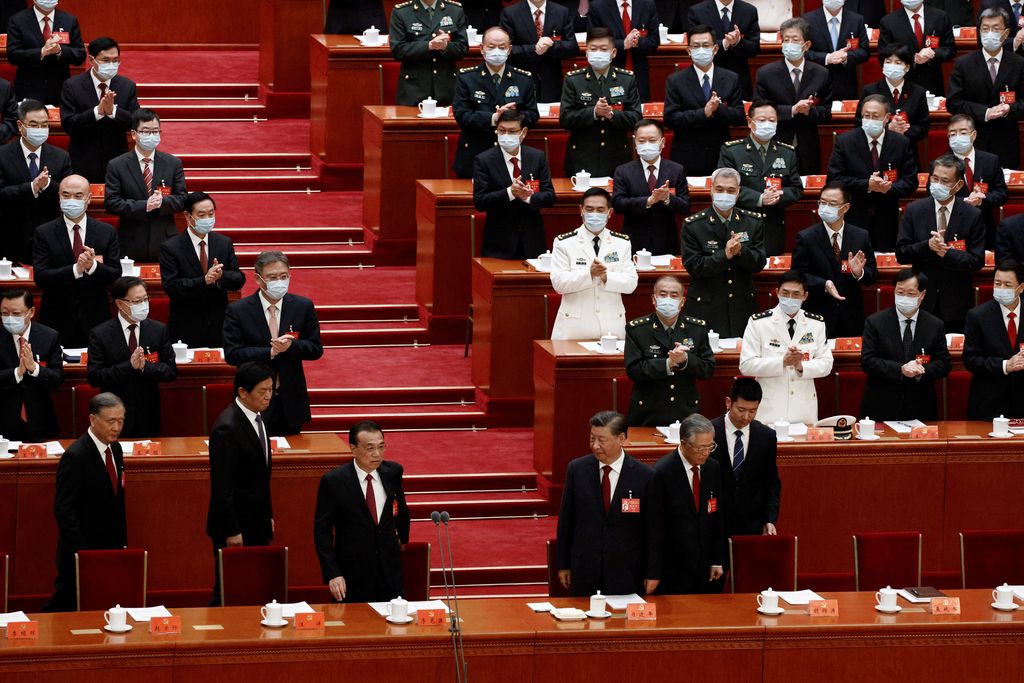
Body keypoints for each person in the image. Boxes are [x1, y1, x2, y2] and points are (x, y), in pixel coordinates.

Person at [555, 411, 657, 596]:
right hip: (585, 569)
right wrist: (563, 565)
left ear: (621, 438)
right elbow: (566, 522)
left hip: (627, 571)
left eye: (602, 440)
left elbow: (653, 529)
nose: (595, 445)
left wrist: (653, 572)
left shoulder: (645, 476)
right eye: (592, 438)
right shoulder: (577, 470)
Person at [223, 251, 324, 435]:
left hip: (291, 400)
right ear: (258, 279)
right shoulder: (238, 310)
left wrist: (292, 346)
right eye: (272, 277)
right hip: (253, 399)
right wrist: (269, 352)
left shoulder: (302, 306)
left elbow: (315, 348)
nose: (279, 281)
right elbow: (233, 354)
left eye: (283, 276)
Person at [43, 392, 127, 612]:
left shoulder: (115, 450)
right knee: (66, 607)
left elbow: (117, 500)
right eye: (111, 421)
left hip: (110, 548)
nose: (116, 427)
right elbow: (63, 511)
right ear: (92, 419)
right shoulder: (76, 456)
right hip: (80, 552)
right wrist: (83, 552)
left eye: (121, 421)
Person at [314, 421, 411, 603]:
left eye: (381, 447)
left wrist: (402, 539)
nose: (377, 454)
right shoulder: (334, 481)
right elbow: (322, 531)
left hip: (390, 573)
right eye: (370, 448)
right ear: (353, 449)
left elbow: (402, 510)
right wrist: (333, 573)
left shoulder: (393, 472)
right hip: (352, 575)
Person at [205, 361, 276, 606]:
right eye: (262, 391)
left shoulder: (256, 416)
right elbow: (222, 487)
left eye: (271, 389)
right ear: (243, 392)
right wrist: (232, 530)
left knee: (252, 587)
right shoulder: (228, 427)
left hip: (256, 519)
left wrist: (268, 514)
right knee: (229, 589)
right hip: (235, 526)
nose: (268, 396)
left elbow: (261, 477)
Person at [895, 154, 984, 333]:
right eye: (935, 178)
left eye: (945, 181)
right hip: (921, 302)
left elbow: (976, 261)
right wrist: (927, 246)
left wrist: (947, 253)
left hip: (956, 303)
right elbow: (901, 253)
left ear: (958, 185)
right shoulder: (914, 210)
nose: (938, 184)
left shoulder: (972, 215)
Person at [32, 175, 121, 348]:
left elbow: (115, 275)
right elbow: (41, 277)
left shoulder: (106, 232)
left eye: (78, 196)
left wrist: (93, 266)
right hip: (56, 319)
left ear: (89, 199)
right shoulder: (44, 233)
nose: (71, 200)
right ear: (59, 197)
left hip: (95, 319)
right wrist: (76, 269)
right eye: (66, 195)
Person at [86, 276, 177, 438]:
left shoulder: (158, 330)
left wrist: (144, 366)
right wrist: (129, 366)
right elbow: (95, 377)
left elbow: (170, 371)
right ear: (120, 304)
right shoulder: (100, 334)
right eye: (137, 301)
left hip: (148, 414)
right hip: (113, 418)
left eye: (145, 299)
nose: (143, 305)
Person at [739, 271, 834, 425]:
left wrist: (801, 365)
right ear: (777, 293)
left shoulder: (816, 323)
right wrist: (782, 362)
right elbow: (746, 365)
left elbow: (826, 364)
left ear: (805, 296)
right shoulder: (758, 322)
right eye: (785, 293)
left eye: (796, 294)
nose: (790, 299)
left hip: (804, 408)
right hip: (768, 409)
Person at [681, 167, 766, 338]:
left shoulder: (752, 221)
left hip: (741, 305)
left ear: (738, 192)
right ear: (711, 190)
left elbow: (758, 262)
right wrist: (725, 255)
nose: (724, 194)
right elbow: (695, 267)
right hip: (706, 306)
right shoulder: (693, 225)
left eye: (730, 190)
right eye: (719, 189)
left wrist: (741, 251)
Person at [827, 94, 918, 252]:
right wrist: (866, 185)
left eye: (875, 116)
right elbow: (834, 180)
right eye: (866, 116)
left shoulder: (901, 143)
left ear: (887, 118)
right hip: (854, 218)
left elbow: (911, 181)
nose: (870, 119)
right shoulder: (845, 141)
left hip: (886, 219)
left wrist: (889, 188)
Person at [648, 414, 726, 594]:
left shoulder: (712, 468)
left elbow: (718, 517)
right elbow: (655, 528)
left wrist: (717, 559)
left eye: (710, 447)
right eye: (701, 448)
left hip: (707, 570)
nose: (706, 453)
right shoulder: (661, 473)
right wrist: (653, 571)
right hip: (673, 570)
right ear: (683, 443)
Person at [860, 269, 951, 420]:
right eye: (900, 292)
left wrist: (920, 370)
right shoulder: (875, 322)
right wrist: (900, 369)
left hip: (921, 406)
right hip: (882, 405)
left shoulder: (935, 325)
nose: (904, 297)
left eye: (910, 294)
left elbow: (944, 364)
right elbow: (867, 361)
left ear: (922, 295)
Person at [624, 275, 715, 425]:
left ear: (682, 302)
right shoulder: (637, 329)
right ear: (654, 299)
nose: (668, 299)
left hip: (685, 412)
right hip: (647, 413)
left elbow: (708, 369)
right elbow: (633, 370)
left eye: (674, 295)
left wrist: (685, 360)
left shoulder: (696, 328)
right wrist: (668, 363)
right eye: (663, 294)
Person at [159, 192, 245, 347]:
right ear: (188, 216)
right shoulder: (171, 248)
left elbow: (238, 279)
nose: (207, 219)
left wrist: (221, 276)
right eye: (202, 214)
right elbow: (171, 286)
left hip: (219, 323)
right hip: (186, 324)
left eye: (211, 214)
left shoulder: (224, 243)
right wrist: (204, 280)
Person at [550, 187, 638, 339]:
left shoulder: (622, 242)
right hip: (574, 327)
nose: (594, 214)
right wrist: (589, 274)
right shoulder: (564, 242)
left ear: (609, 213)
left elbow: (631, 283)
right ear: (581, 210)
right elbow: (559, 284)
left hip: (612, 327)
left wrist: (605, 276)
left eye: (600, 210)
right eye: (589, 209)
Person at [791, 182, 877, 337]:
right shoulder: (806, 237)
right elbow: (797, 276)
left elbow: (873, 275)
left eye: (832, 204)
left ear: (846, 207)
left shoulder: (860, 236)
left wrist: (859, 273)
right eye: (822, 202)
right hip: (817, 315)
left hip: (851, 317)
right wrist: (823, 284)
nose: (825, 207)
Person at [717, 99, 802, 256]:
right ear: (750, 122)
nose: (767, 124)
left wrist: (781, 194)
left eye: (772, 120)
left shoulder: (787, 152)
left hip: (773, 228)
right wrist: (759, 198)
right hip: (741, 226)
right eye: (762, 120)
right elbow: (725, 188)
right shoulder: (732, 151)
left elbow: (796, 188)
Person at [452, 27, 538, 179]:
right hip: (475, 153)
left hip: (511, 154)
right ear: (482, 49)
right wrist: (493, 118)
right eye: (491, 47)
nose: (496, 51)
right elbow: (461, 115)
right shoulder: (466, 77)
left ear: (509, 49)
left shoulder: (523, 78)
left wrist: (511, 118)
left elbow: (532, 115)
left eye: (502, 47)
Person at [104, 109, 187, 262]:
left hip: (166, 241)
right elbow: (111, 203)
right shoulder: (117, 165)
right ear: (134, 134)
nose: (151, 136)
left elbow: (183, 199)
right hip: (131, 242)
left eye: (155, 131)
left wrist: (163, 202)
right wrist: (144, 206)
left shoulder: (173, 163)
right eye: (146, 131)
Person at [947, 8, 1024, 172]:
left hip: (1006, 141)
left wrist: (1010, 108)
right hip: (974, 142)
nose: (990, 33)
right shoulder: (963, 64)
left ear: (1006, 33)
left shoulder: (1019, 63)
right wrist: (986, 112)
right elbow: (954, 103)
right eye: (985, 28)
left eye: (996, 29)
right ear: (979, 32)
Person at [753, 18, 832, 174]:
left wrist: (809, 111)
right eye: (786, 40)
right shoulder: (766, 73)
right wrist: (792, 110)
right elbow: (758, 109)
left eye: (795, 40)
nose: (789, 43)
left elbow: (826, 111)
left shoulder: (821, 73)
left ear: (806, 45)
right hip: (776, 141)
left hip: (808, 145)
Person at [663, 24, 745, 177]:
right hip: (687, 156)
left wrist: (718, 108)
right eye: (696, 46)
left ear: (715, 49)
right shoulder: (675, 80)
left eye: (705, 45)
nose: (701, 50)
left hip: (720, 155)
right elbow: (670, 119)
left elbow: (740, 116)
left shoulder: (730, 78)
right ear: (689, 51)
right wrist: (704, 112)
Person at [472, 110, 555, 259]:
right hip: (499, 242)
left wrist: (528, 197)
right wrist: (510, 192)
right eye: (502, 131)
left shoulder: (537, 157)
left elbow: (550, 196)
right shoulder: (484, 160)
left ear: (523, 133)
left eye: (512, 131)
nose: (506, 136)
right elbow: (480, 201)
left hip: (532, 241)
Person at [560, 27, 643, 177]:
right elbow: (565, 119)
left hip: (617, 158)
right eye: (593, 48)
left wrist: (612, 115)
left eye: (603, 49)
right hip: (582, 158)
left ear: (613, 53)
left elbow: (636, 118)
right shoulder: (573, 80)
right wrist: (593, 112)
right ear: (586, 53)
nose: (598, 53)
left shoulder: (626, 79)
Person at [59, 37, 140, 184]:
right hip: (83, 161)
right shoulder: (72, 86)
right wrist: (97, 112)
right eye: (105, 60)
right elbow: (68, 124)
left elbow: (136, 121)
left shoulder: (127, 86)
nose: (111, 64)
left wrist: (113, 112)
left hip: (117, 161)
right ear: (91, 60)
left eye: (115, 60)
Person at [0, 98, 71, 264]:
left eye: (44, 124)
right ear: (20, 125)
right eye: (33, 125)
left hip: (48, 240)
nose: (40, 129)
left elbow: (68, 193)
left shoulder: (61, 157)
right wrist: (31, 187)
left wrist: (47, 185)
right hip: (9, 237)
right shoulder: (2, 155)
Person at [711, 378, 781, 538]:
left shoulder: (766, 436)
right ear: (729, 402)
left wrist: (770, 518)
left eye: (752, 411)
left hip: (752, 524)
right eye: (741, 409)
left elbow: (771, 482)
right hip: (716, 522)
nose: (746, 416)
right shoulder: (710, 431)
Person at [612, 119, 690, 255]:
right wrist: (648, 201)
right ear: (635, 142)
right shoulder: (623, 171)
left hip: (666, 241)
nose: (647, 144)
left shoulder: (676, 170)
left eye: (652, 140)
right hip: (633, 241)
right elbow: (618, 205)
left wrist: (667, 198)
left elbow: (685, 207)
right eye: (641, 141)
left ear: (663, 142)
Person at [963, 260, 1024, 420]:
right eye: (998, 283)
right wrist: (1005, 365)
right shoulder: (977, 316)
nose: (1001, 289)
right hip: (989, 406)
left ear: (1021, 287)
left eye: (1007, 284)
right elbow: (970, 360)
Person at [0, 288, 63, 441]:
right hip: (3, 423)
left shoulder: (49, 336)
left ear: (31, 312)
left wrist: (34, 369)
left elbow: (58, 380)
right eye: (4, 313)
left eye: (16, 314)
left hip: (40, 422)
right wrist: (17, 372)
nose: (9, 318)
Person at [854, 42, 930, 157]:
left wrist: (904, 130)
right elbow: (859, 123)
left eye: (898, 62)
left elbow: (923, 127)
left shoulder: (918, 92)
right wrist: (887, 127)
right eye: (888, 62)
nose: (892, 66)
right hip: (877, 150)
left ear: (907, 67)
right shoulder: (870, 91)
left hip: (908, 151)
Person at [389, 0, 468, 107]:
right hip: (414, 90)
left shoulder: (455, 10)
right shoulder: (401, 12)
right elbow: (397, 50)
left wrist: (445, 47)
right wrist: (429, 46)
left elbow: (463, 48)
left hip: (447, 88)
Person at [946, 114, 1008, 250]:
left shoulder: (990, 160)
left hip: (985, 228)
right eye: (952, 134)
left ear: (973, 135)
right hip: (953, 228)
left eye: (962, 132)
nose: (957, 137)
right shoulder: (941, 164)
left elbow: (1002, 193)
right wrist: (964, 201)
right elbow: (933, 194)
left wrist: (982, 199)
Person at [5, 0, 85, 104]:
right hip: (29, 89)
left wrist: (59, 50)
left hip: (60, 89)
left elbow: (80, 55)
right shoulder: (17, 20)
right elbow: (13, 55)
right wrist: (42, 52)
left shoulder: (69, 20)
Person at [501, 0, 580, 103]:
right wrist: (534, 49)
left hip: (551, 81)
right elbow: (506, 49)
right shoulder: (510, 13)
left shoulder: (561, 11)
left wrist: (552, 45)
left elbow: (572, 47)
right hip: (521, 80)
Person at [586, 0, 662, 101]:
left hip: (639, 75)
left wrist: (638, 42)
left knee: (638, 112)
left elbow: (654, 41)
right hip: (609, 73)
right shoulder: (598, 6)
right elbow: (593, 42)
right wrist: (623, 44)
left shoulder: (647, 4)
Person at [878, 0, 955, 96]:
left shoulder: (940, 16)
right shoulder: (888, 21)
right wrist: (912, 58)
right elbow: (883, 53)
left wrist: (931, 54)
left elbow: (950, 48)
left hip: (932, 81)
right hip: (903, 81)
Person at [687, 0, 761, 99]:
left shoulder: (749, 10)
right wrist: (724, 43)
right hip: (708, 74)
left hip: (739, 76)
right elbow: (695, 44)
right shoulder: (697, 11)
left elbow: (754, 48)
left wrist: (738, 41)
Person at [805, 0, 870, 101]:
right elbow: (803, 52)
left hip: (846, 84)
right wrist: (828, 58)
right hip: (817, 82)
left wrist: (846, 56)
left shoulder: (856, 19)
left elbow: (864, 52)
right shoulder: (807, 20)